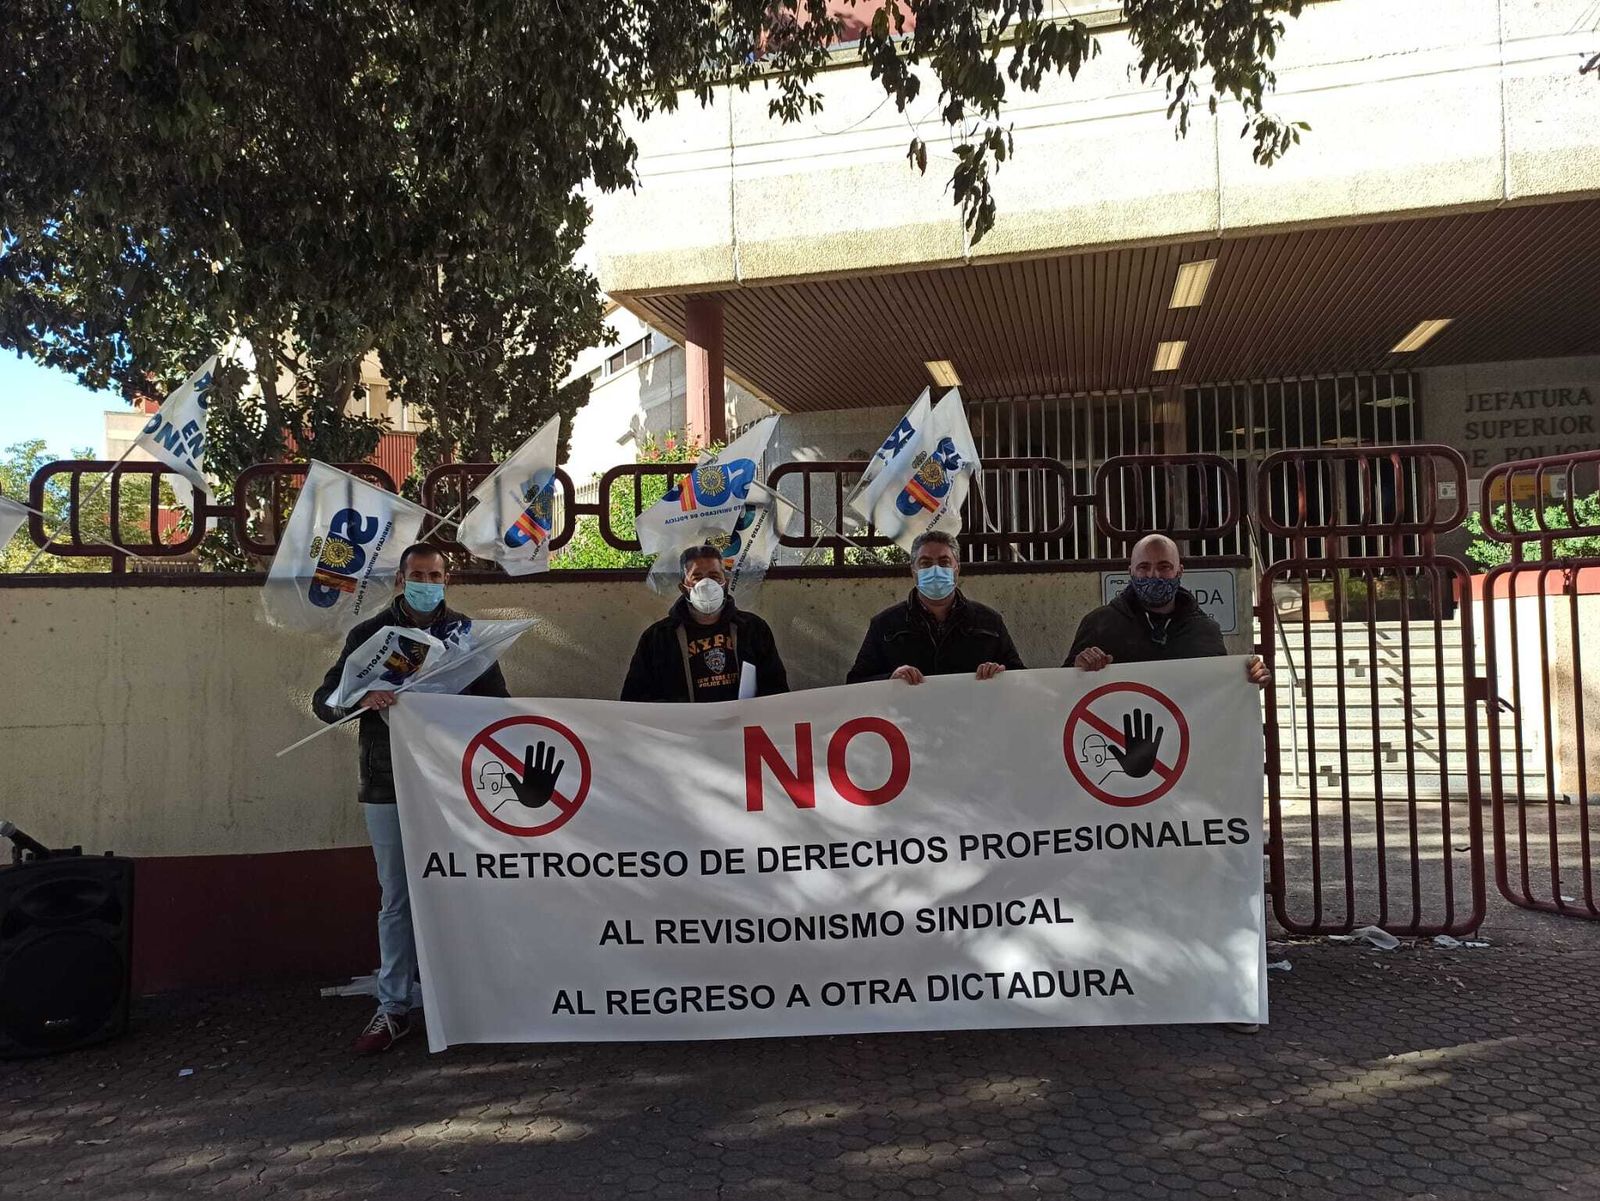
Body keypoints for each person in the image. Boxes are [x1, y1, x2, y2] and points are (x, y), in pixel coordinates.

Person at [312, 543, 510, 1054]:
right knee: (397, 898)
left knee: (461, 887)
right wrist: (362, 699)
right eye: (418, 574)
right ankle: (393, 1006)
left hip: (450, 783)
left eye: (436, 575)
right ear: (401, 578)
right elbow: (326, 701)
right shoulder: (370, 635)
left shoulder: (465, 636)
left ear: (448, 580)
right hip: (387, 782)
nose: (428, 581)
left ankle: (468, 995)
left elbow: (497, 709)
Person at [1065, 533, 1269, 687]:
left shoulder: (1205, 631)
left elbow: (1219, 690)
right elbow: (1062, 686)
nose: (1154, 575)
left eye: (1164, 567)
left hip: (1187, 742)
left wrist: (1250, 680)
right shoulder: (1099, 624)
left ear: (1179, 571)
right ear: (1130, 572)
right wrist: (1080, 666)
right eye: (1144, 567)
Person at [847, 529, 1025, 684]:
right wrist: (890, 679)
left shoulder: (989, 622)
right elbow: (856, 682)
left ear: (957, 569)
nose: (935, 569)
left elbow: (1020, 677)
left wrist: (999, 673)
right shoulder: (885, 625)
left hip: (974, 718)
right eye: (925, 563)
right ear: (913, 571)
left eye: (944, 562)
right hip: (907, 719)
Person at [620, 544, 789, 702]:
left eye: (714, 576)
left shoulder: (753, 629)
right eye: (697, 577)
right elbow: (635, 701)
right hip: (684, 732)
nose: (707, 584)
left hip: (741, 730)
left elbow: (776, 692)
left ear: (726, 583)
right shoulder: (658, 638)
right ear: (683, 587)